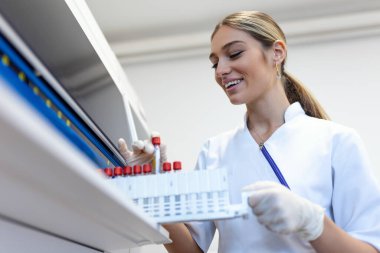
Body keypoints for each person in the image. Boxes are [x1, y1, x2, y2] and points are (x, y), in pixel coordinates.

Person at [118, 10, 380, 253]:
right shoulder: (215, 151)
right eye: (214, 63)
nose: (221, 70)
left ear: (277, 53)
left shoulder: (335, 141)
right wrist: (156, 192)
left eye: (234, 54)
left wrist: (313, 223)